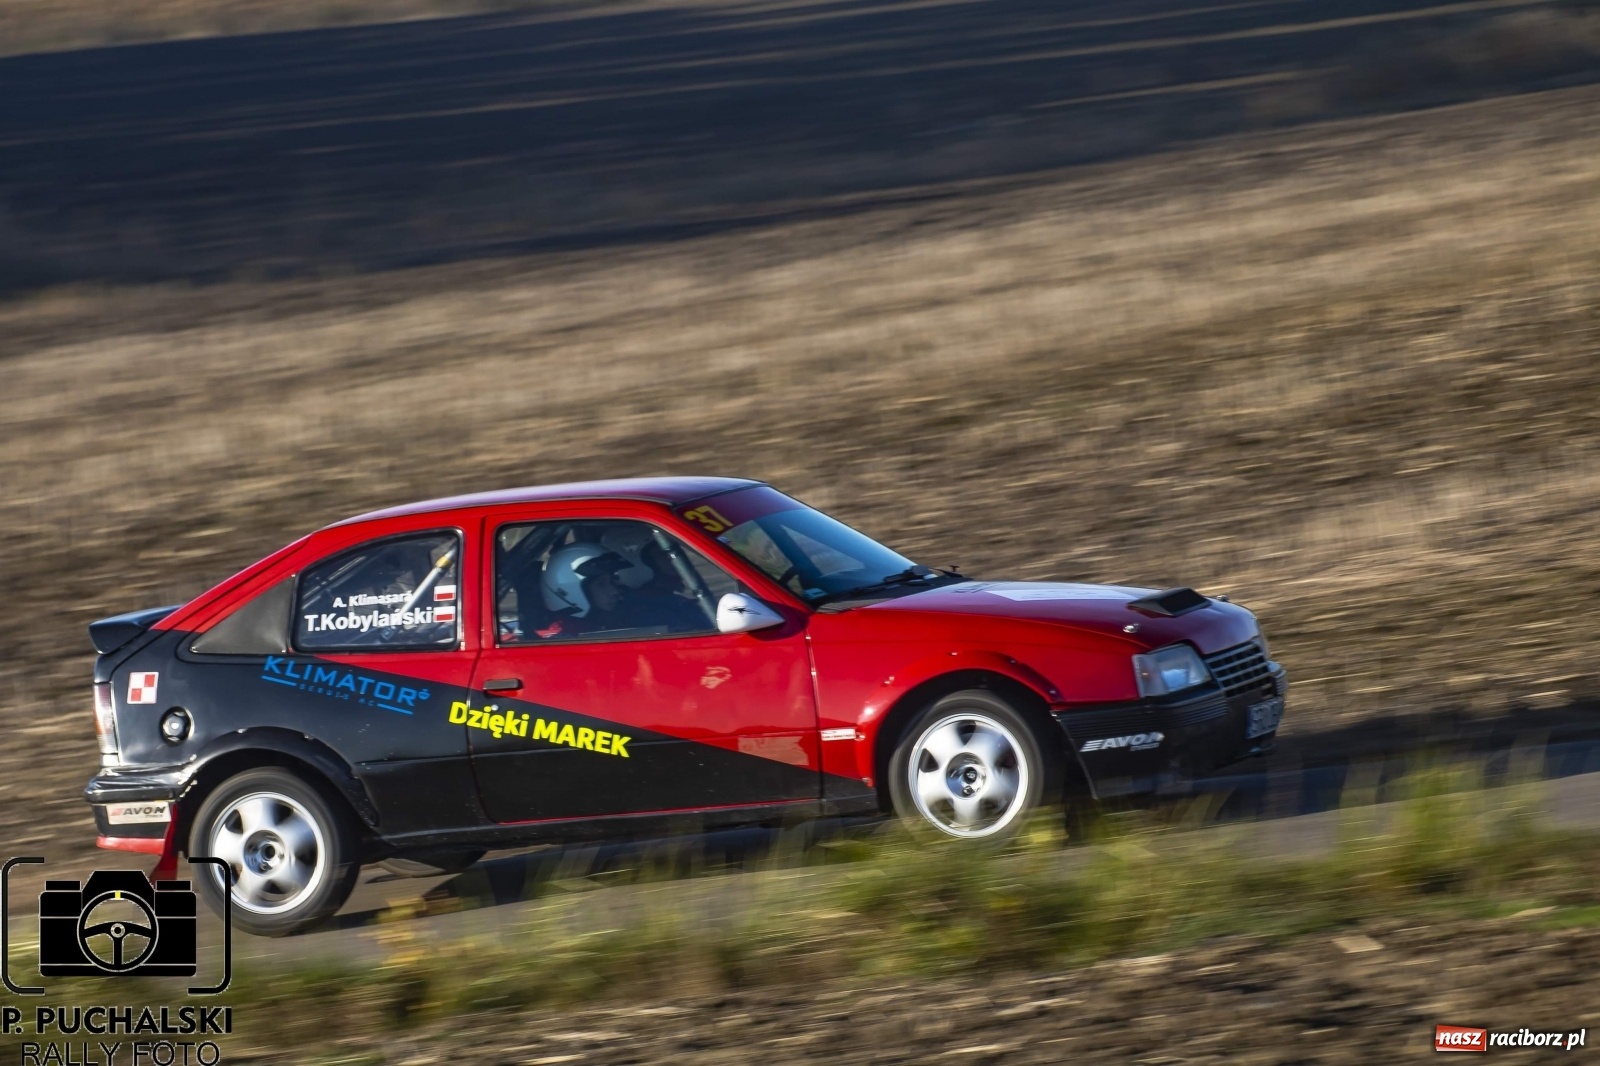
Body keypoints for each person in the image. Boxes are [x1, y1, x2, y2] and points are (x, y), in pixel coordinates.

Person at [536, 543, 706, 639]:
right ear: (569, 591)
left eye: (612, 582)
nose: (614, 591)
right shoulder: (564, 640)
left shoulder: (613, 619)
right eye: (601, 584)